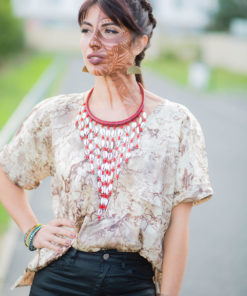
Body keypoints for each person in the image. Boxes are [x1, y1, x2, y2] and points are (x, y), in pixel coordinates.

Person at [0, 0, 214, 295]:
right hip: (60, 277)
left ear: (140, 42)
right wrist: (32, 230)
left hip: (133, 281)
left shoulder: (176, 123)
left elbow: (178, 228)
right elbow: (6, 171)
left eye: (109, 30)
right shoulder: (57, 114)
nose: (93, 42)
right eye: (86, 30)